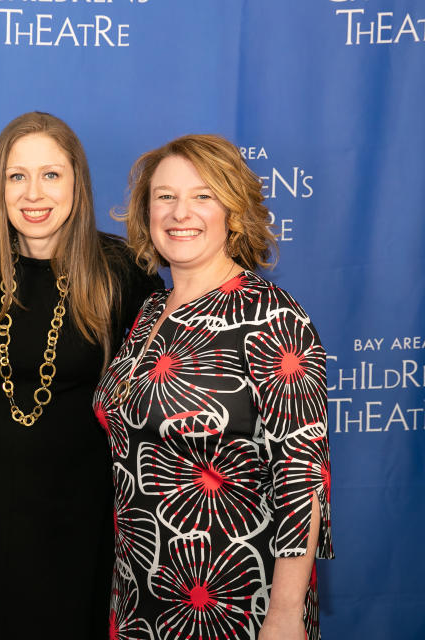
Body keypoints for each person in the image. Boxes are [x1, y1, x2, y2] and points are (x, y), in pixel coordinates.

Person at [0, 112, 162, 639]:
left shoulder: (122, 271)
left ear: (77, 182)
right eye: (16, 176)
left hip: (81, 518)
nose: (34, 193)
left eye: (51, 174)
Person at [92, 134, 334, 640]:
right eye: (165, 196)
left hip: (237, 603)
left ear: (234, 211)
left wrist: (286, 614)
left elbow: (302, 480)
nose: (181, 212)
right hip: (143, 594)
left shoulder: (272, 317)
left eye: (203, 195)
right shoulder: (152, 311)